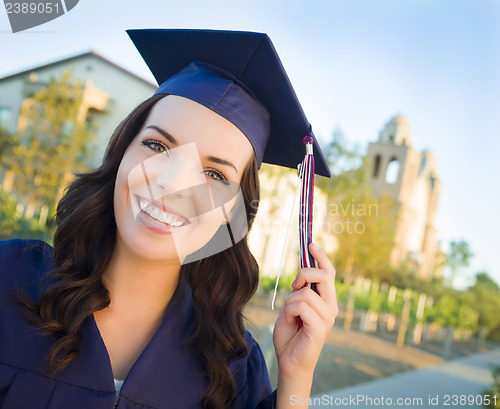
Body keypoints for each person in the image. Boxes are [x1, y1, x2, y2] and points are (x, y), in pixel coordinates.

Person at [0, 29, 338, 409]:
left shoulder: (234, 368)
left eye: (215, 175)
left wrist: (296, 376)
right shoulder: (8, 278)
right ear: (122, 153)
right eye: (157, 146)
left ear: (234, 212)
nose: (173, 184)